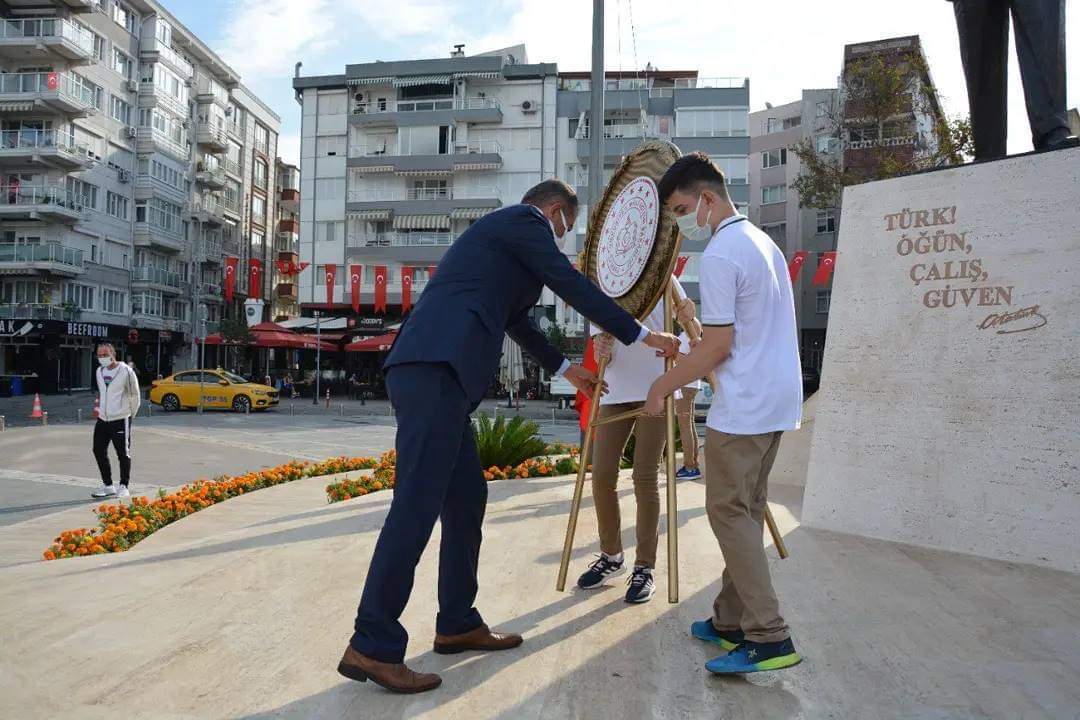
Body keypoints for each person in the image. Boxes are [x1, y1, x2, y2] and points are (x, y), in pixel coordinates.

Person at [338, 179, 680, 694]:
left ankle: (456, 622)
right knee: (415, 506)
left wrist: (569, 370)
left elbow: (518, 323)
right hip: (434, 367)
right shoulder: (523, 223)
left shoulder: (505, 251)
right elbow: (569, 282)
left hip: (442, 374)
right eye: (566, 226)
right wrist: (641, 333)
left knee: (466, 498)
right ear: (555, 211)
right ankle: (373, 642)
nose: (563, 238)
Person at [645, 153, 803, 675]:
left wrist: (662, 385)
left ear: (707, 199)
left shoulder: (720, 254)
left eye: (683, 208)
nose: (682, 221)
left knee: (728, 515)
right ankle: (729, 619)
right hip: (778, 401)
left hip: (746, 406)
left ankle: (769, 635)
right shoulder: (764, 242)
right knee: (746, 513)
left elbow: (715, 347)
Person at [576, 275, 694, 604]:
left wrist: (678, 347)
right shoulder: (608, 280)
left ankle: (645, 567)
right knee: (600, 476)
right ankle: (612, 557)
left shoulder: (665, 276)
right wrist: (600, 345)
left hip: (656, 389)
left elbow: (689, 323)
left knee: (644, 477)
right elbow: (600, 335)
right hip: (616, 389)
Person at [90, 343, 141, 501]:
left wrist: (130, 414)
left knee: (123, 453)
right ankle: (108, 485)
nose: (102, 358)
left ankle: (124, 485)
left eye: (105, 354)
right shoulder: (99, 371)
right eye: (99, 355)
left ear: (113, 354)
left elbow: (135, 394)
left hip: (121, 418)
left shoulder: (125, 371)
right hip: (103, 418)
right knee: (98, 450)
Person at [675, 331, 703, 480]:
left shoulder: (688, 331)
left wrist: (671, 352)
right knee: (689, 425)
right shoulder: (691, 330)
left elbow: (684, 360)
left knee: (685, 426)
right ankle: (693, 465)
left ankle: (690, 467)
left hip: (685, 384)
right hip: (691, 383)